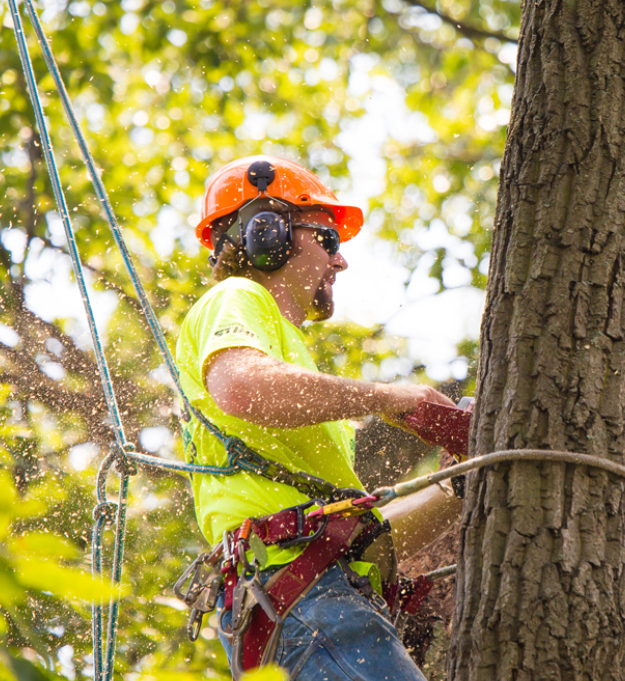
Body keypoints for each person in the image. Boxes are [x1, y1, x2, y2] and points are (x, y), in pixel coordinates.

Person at [175, 154, 462, 681]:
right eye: (328, 240)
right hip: (308, 604)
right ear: (269, 234)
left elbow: (350, 539)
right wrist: (390, 397)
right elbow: (240, 387)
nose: (340, 261)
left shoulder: (291, 361)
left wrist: (456, 490)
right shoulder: (237, 297)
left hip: (314, 598)